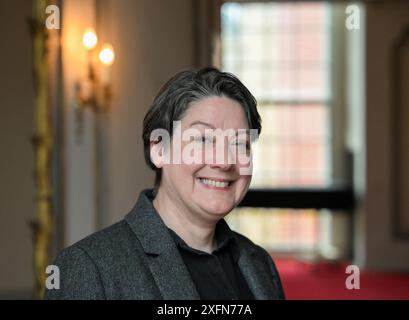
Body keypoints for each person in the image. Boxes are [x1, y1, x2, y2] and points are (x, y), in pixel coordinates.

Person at [45, 67, 285, 300]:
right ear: (159, 149)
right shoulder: (88, 268)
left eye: (238, 144)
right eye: (203, 140)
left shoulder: (260, 263)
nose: (224, 161)